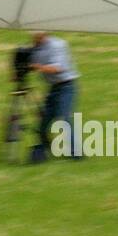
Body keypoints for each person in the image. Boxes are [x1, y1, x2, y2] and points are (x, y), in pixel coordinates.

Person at [28, 32, 82, 162]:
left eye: (37, 36)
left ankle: (77, 155)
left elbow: (58, 68)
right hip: (53, 88)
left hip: (66, 87)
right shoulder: (35, 47)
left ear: (45, 34)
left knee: (63, 119)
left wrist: (37, 67)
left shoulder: (58, 45)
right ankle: (45, 153)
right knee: (42, 125)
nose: (34, 38)